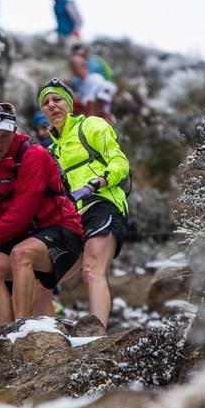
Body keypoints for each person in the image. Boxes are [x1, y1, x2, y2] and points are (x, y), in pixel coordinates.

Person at [0, 102, 84, 326]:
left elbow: (20, 216)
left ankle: (24, 331)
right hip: (20, 237)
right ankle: (10, 338)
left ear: (15, 132)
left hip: (61, 230)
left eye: (4, 135)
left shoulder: (34, 156)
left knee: (21, 254)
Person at [37, 79, 130, 329]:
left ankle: (95, 339)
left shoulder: (91, 125)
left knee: (91, 270)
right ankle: (48, 337)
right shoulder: (52, 151)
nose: (52, 105)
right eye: (45, 103)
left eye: (57, 99)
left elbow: (120, 162)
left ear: (68, 103)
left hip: (103, 203)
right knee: (41, 281)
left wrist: (94, 184)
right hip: (73, 217)